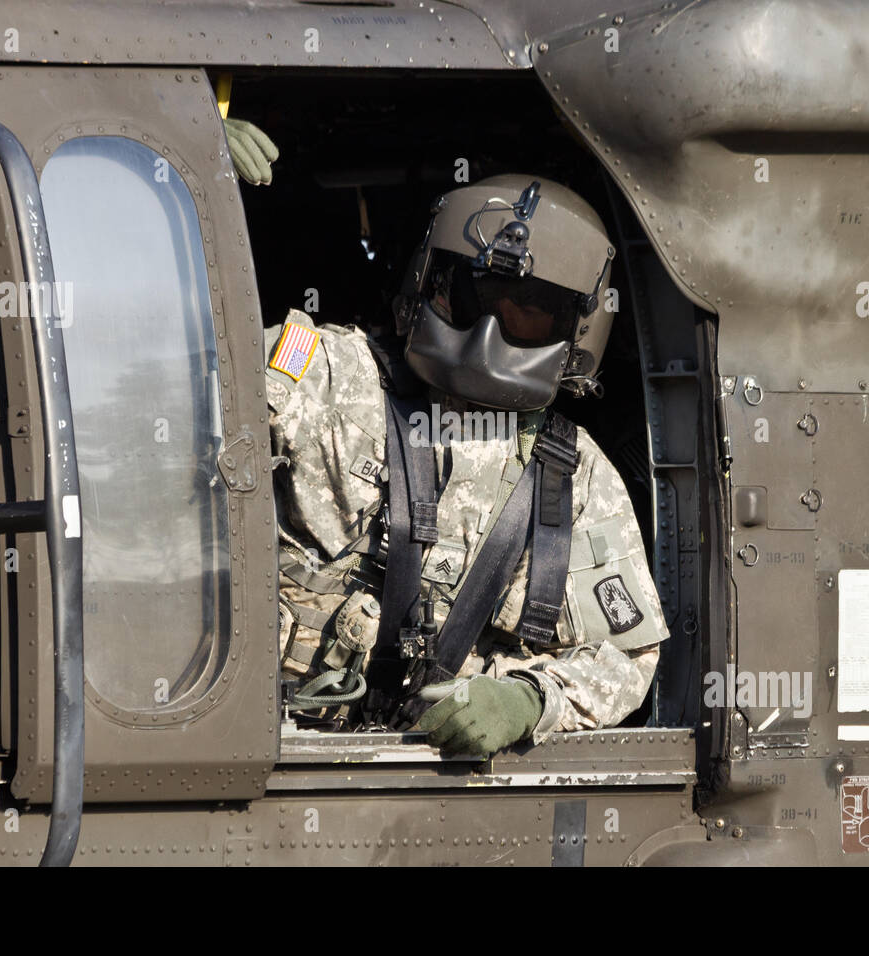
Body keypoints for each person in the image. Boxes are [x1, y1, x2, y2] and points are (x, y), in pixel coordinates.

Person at [256, 169, 671, 758]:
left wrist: (529, 700)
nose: (491, 328)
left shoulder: (576, 478)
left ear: (576, 328)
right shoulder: (325, 374)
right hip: (266, 748)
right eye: (478, 291)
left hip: (431, 777)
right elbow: (161, 419)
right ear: (432, 280)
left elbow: (629, 658)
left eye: (528, 307)